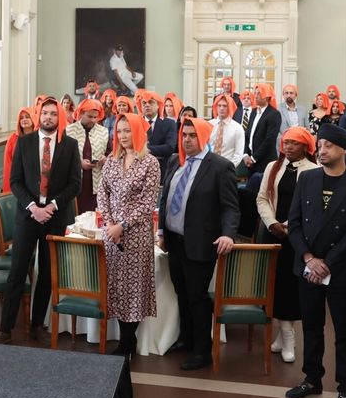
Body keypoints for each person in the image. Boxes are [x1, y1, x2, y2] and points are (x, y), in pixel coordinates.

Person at [284, 124, 346, 398]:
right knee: (311, 327)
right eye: (320, 145)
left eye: (329, 146)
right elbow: (294, 223)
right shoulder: (307, 179)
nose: (322, 150)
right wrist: (309, 258)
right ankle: (312, 378)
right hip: (308, 267)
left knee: (344, 331)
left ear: (344, 150)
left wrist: (327, 264)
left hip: (341, 269)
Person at [0, 97, 81, 345]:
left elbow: (75, 184)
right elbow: (15, 181)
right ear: (38, 116)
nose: (48, 118)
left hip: (54, 217)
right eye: (45, 113)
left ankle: (37, 325)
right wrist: (33, 207)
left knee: (46, 274)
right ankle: (5, 329)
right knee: (18, 271)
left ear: (59, 117)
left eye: (53, 114)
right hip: (28, 216)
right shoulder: (24, 143)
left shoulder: (69, 145)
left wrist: (51, 206)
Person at [157, 117, 239, 370]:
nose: (187, 140)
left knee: (197, 297)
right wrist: (161, 229)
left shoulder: (220, 166)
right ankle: (186, 339)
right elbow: (165, 197)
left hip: (201, 242)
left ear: (203, 137)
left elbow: (230, 207)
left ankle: (203, 351)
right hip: (174, 240)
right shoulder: (174, 160)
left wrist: (228, 234)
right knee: (182, 293)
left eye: (192, 135)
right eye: (184, 135)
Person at [98, 113, 160, 356]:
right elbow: (102, 193)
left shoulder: (150, 163)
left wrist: (122, 225)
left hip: (136, 236)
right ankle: (124, 339)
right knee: (116, 285)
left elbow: (147, 203)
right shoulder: (112, 161)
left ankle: (127, 341)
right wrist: (110, 223)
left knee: (133, 288)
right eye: (119, 131)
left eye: (127, 131)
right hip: (112, 236)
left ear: (138, 132)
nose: (123, 136)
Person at [255, 126, 318, 364]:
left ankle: (289, 336)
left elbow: (309, 206)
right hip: (272, 233)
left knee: (290, 286)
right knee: (273, 283)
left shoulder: (313, 170)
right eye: (286, 142)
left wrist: (290, 225)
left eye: (294, 143)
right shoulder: (273, 167)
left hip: (297, 235)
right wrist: (272, 223)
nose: (288, 147)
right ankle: (282, 334)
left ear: (306, 147)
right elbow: (262, 198)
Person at [66, 98, 109, 214]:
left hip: (96, 183)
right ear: (81, 114)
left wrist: (105, 159)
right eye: (90, 116)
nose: (93, 120)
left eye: (95, 117)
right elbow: (63, 156)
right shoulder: (69, 130)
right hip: (75, 182)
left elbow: (111, 153)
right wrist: (79, 163)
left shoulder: (104, 131)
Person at [242, 83, 283, 178]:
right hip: (250, 163)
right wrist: (245, 155)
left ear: (267, 97)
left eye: (259, 93)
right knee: (250, 191)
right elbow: (247, 135)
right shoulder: (252, 111)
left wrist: (253, 158)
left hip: (266, 162)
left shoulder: (274, 114)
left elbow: (269, 140)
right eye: (255, 93)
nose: (255, 96)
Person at [142, 92, 178, 168]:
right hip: (139, 168)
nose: (147, 105)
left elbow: (169, 148)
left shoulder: (169, 123)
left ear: (158, 105)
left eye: (151, 102)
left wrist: (144, 149)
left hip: (161, 167)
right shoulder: (136, 123)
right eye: (144, 103)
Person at [4, 106, 36, 192]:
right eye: (21, 118)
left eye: (27, 117)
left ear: (33, 118)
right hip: (17, 178)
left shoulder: (39, 137)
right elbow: (8, 164)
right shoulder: (12, 139)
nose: (24, 119)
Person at [209, 93, 244, 167]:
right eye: (219, 105)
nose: (221, 108)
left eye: (225, 106)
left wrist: (228, 168)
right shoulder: (209, 125)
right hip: (208, 167)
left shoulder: (237, 128)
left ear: (230, 107)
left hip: (227, 168)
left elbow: (238, 154)